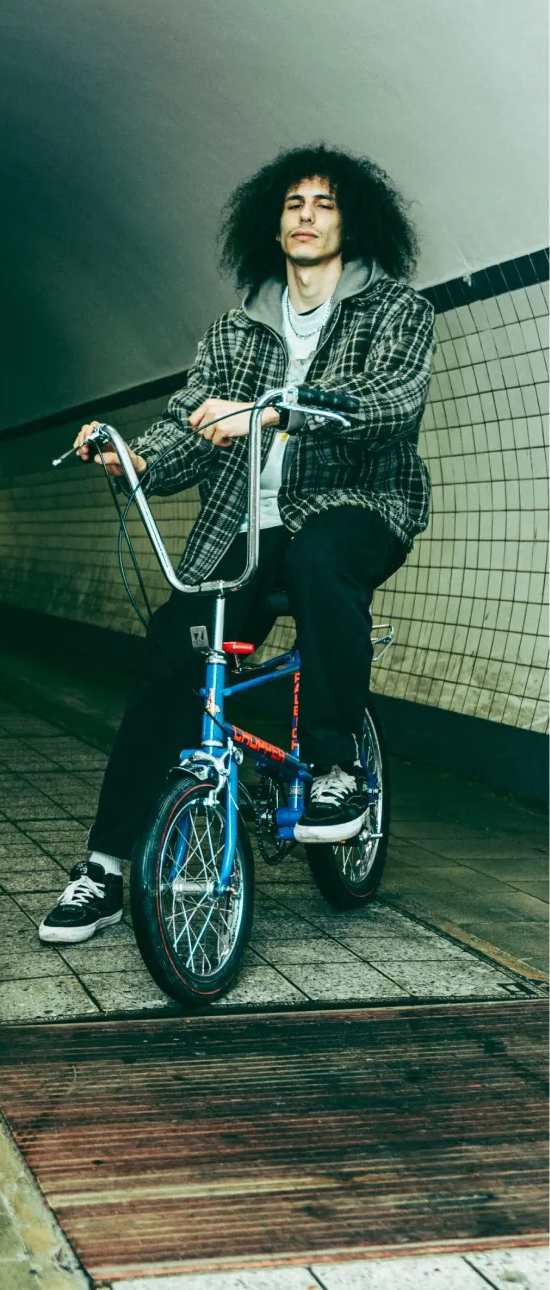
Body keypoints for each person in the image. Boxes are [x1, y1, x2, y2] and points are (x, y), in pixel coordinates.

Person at [38, 145, 434, 944]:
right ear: (271, 221)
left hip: (352, 506)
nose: (306, 216)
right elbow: (194, 419)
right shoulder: (237, 324)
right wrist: (137, 458)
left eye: (322, 204)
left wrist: (280, 412)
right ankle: (106, 866)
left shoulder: (396, 312)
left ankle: (332, 768)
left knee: (322, 563)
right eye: (292, 204)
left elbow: (391, 401)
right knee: (169, 655)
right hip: (243, 527)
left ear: (351, 220)